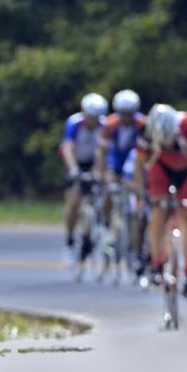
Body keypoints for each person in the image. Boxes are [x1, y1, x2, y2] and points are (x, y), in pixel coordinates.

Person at [135, 103, 187, 298]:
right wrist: (141, 194)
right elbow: (139, 164)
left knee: (186, 215)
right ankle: (157, 263)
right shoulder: (145, 131)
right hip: (161, 167)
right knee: (158, 210)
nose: (168, 144)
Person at [97, 89, 147, 273]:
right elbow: (102, 152)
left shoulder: (143, 124)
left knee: (136, 209)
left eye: (130, 114)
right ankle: (107, 224)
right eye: (123, 114)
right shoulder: (110, 125)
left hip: (136, 165)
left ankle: (136, 247)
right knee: (110, 192)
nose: (126, 117)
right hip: (116, 164)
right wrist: (103, 173)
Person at [60, 92, 108, 264]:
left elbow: (102, 152)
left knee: (101, 196)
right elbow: (67, 148)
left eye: (96, 117)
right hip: (77, 162)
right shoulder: (74, 124)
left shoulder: (104, 126)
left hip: (94, 162)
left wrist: (99, 172)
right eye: (90, 117)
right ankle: (70, 236)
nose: (93, 121)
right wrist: (73, 169)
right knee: (74, 201)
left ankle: (95, 230)